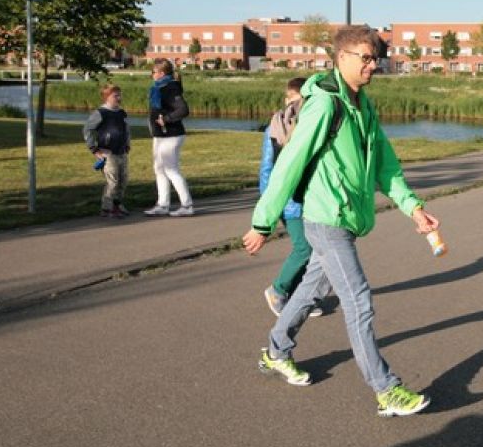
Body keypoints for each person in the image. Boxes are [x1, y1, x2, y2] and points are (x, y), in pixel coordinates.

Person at [243, 25, 440, 418]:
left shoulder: (363, 106)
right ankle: (386, 389)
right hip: (325, 219)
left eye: (375, 58)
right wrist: (263, 222)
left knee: (308, 292)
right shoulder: (324, 105)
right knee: (358, 300)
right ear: (342, 58)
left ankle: (276, 351)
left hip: (346, 219)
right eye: (365, 58)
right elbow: (290, 163)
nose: (373, 65)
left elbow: (385, 166)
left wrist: (414, 208)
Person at [259, 77, 324, 319]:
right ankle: (278, 290)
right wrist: (269, 203)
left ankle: (298, 296)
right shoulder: (275, 129)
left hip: (309, 199)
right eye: (294, 101)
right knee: (304, 247)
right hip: (287, 201)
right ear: (287, 99)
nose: (297, 106)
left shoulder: (310, 124)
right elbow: (267, 167)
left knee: (315, 249)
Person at [145, 58, 194, 216]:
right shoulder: (159, 88)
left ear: (161, 73)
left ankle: (187, 205)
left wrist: (166, 119)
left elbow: (183, 109)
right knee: (159, 169)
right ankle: (162, 204)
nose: (152, 74)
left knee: (171, 169)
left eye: (153, 72)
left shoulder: (170, 88)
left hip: (171, 134)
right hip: (160, 135)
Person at [83, 84, 131, 218]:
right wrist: (94, 149)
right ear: (107, 97)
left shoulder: (121, 113)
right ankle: (107, 207)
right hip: (107, 152)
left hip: (121, 152)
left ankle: (117, 204)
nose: (119, 98)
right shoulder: (101, 113)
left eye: (120, 95)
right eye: (115, 96)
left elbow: (126, 129)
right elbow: (87, 129)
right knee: (112, 181)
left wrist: (127, 143)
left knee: (123, 180)